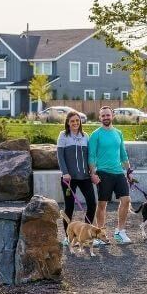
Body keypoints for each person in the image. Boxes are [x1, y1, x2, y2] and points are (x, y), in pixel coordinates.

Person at [88, 106, 134, 244]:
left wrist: (129, 171)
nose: (106, 118)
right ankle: (100, 234)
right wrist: (93, 173)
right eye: (103, 116)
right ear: (99, 117)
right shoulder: (96, 134)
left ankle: (120, 232)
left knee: (126, 200)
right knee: (102, 204)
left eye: (108, 115)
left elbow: (123, 154)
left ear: (112, 116)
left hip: (119, 172)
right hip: (103, 173)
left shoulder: (118, 133)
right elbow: (91, 156)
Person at [57, 111, 98, 247]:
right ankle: (68, 237)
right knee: (69, 207)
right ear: (68, 123)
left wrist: (92, 172)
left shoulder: (85, 136)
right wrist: (65, 172)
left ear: (80, 122)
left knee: (92, 203)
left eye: (77, 120)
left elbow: (89, 156)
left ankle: (86, 233)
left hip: (84, 177)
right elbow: (60, 156)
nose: (75, 123)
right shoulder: (63, 136)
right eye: (72, 121)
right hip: (69, 178)